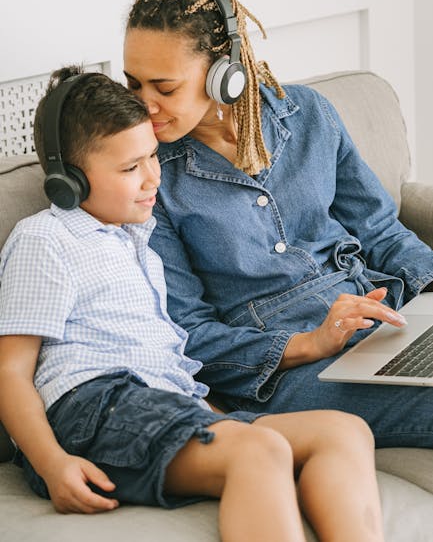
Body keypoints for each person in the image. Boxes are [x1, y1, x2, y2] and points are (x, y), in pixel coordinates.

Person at [0, 66, 385, 541]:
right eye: (129, 168)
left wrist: (219, 419)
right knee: (257, 450)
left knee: (344, 432)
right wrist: (51, 462)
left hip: (170, 404)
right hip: (93, 407)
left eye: (152, 158)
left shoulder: (138, 239)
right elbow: (11, 372)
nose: (151, 180)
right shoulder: (45, 237)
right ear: (69, 182)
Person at [123, 0, 433, 447]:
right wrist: (310, 342)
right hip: (289, 371)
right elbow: (189, 335)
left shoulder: (310, 113)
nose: (145, 106)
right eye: (133, 84)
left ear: (225, 72)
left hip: (379, 320)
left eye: (164, 88)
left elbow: (380, 232)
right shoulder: (150, 179)